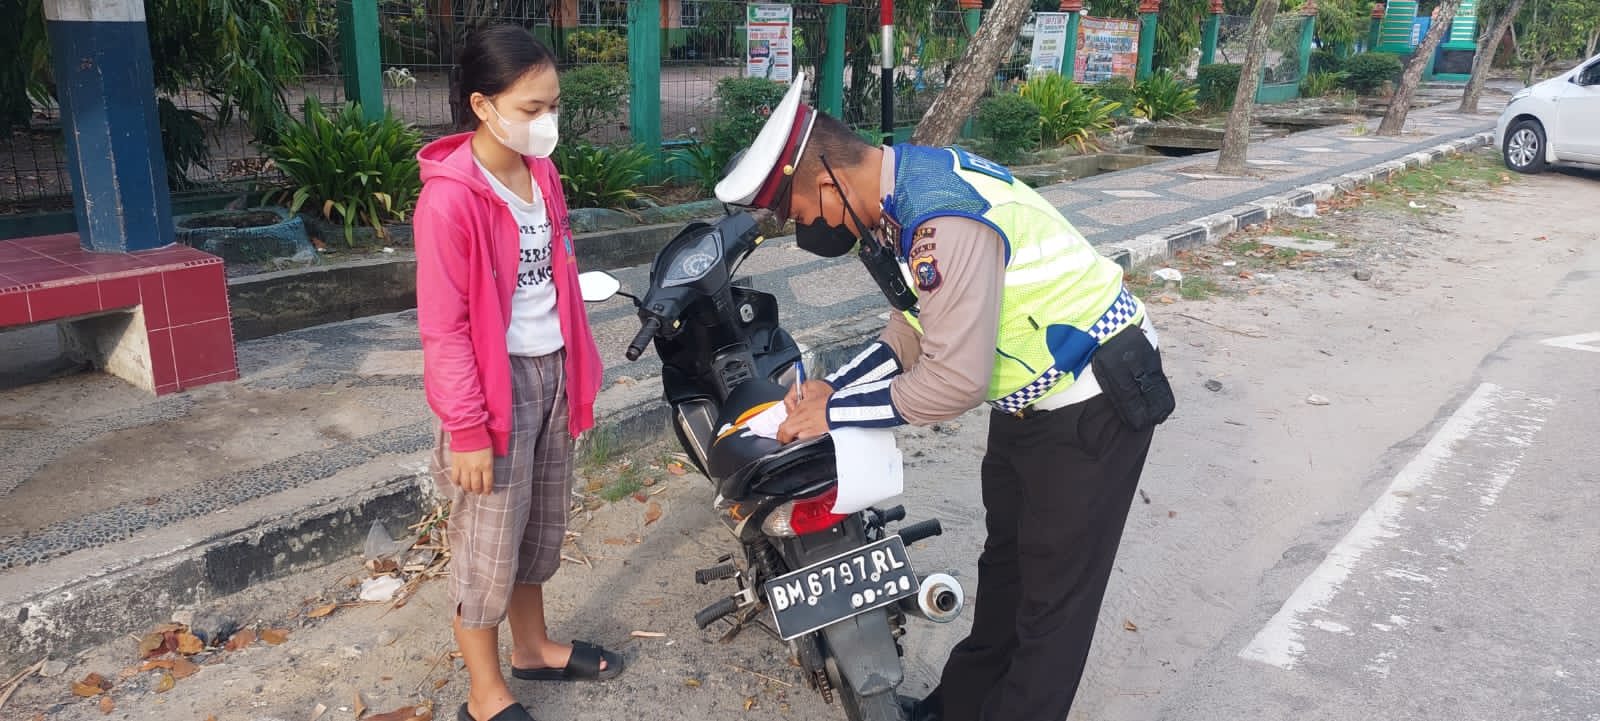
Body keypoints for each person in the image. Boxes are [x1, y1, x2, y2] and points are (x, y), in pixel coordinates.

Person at [714, 71, 1175, 721]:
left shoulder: (939, 216)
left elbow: (953, 380)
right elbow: (916, 324)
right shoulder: (902, 190)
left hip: (1092, 398)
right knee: (1007, 570)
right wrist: (836, 385)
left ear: (825, 181)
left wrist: (835, 413)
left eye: (802, 214)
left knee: (1051, 609)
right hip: (1029, 398)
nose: (805, 230)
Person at [414, 25, 622, 721]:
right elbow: (444, 328)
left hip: (553, 372)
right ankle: (485, 689)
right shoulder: (450, 201)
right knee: (487, 543)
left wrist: (579, 374)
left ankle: (531, 647)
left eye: (552, 106)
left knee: (539, 526)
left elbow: (556, 276)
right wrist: (467, 427)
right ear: (482, 105)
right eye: (531, 109)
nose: (547, 123)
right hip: (493, 392)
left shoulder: (543, 175)